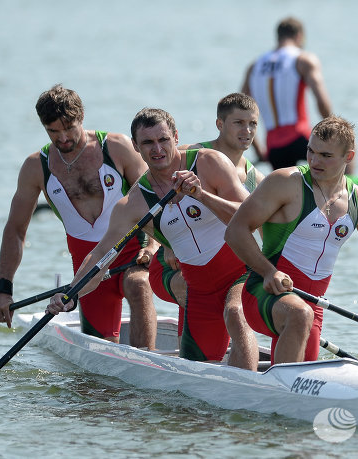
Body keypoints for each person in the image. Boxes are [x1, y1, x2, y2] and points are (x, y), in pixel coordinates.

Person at [47, 108, 259, 371]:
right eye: (148, 142)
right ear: (135, 147)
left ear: (176, 137)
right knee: (193, 381)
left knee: (235, 313)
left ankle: (250, 391)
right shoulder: (133, 203)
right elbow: (101, 255)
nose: (157, 149)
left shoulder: (208, 162)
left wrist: (202, 196)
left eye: (163, 140)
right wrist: (71, 293)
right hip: (199, 292)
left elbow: (250, 217)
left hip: (240, 274)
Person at [225, 115, 358, 364]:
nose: (314, 161)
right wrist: (268, 272)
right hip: (264, 293)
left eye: (326, 155)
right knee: (299, 315)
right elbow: (236, 231)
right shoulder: (285, 183)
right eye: (311, 151)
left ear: (348, 157)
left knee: (303, 344)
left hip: (312, 307)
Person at [0, 84, 157, 349]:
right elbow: (16, 230)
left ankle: (146, 358)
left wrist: (156, 246)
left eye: (69, 128)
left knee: (138, 285)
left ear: (82, 117)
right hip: (87, 264)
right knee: (99, 349)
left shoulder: (117, 147)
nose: (63, 138)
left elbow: (155, 199)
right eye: (53, 131)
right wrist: (2, 289)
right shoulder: (36, 167)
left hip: (132, 251)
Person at [150, 93, 265, 324]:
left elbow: (265, 234)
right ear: (219, 124)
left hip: (223, 267)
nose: (247, 130)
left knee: (233, 305)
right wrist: (165, 243)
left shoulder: (256, 179)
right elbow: (145, 194)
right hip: (173, 262)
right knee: (198, 291)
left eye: (253, 123)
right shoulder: (190, 155)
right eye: (239, 123)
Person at [242, 17, 347, 172]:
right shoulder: (303, 59)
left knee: (288, 185)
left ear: (278, 37)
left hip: (273, 147)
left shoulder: (254, 66)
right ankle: (349, 182)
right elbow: (322, 103)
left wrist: (259, 150)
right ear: (299, 36)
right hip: (300, 137)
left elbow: (241, 110)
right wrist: (336, 136)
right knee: (346, 150)